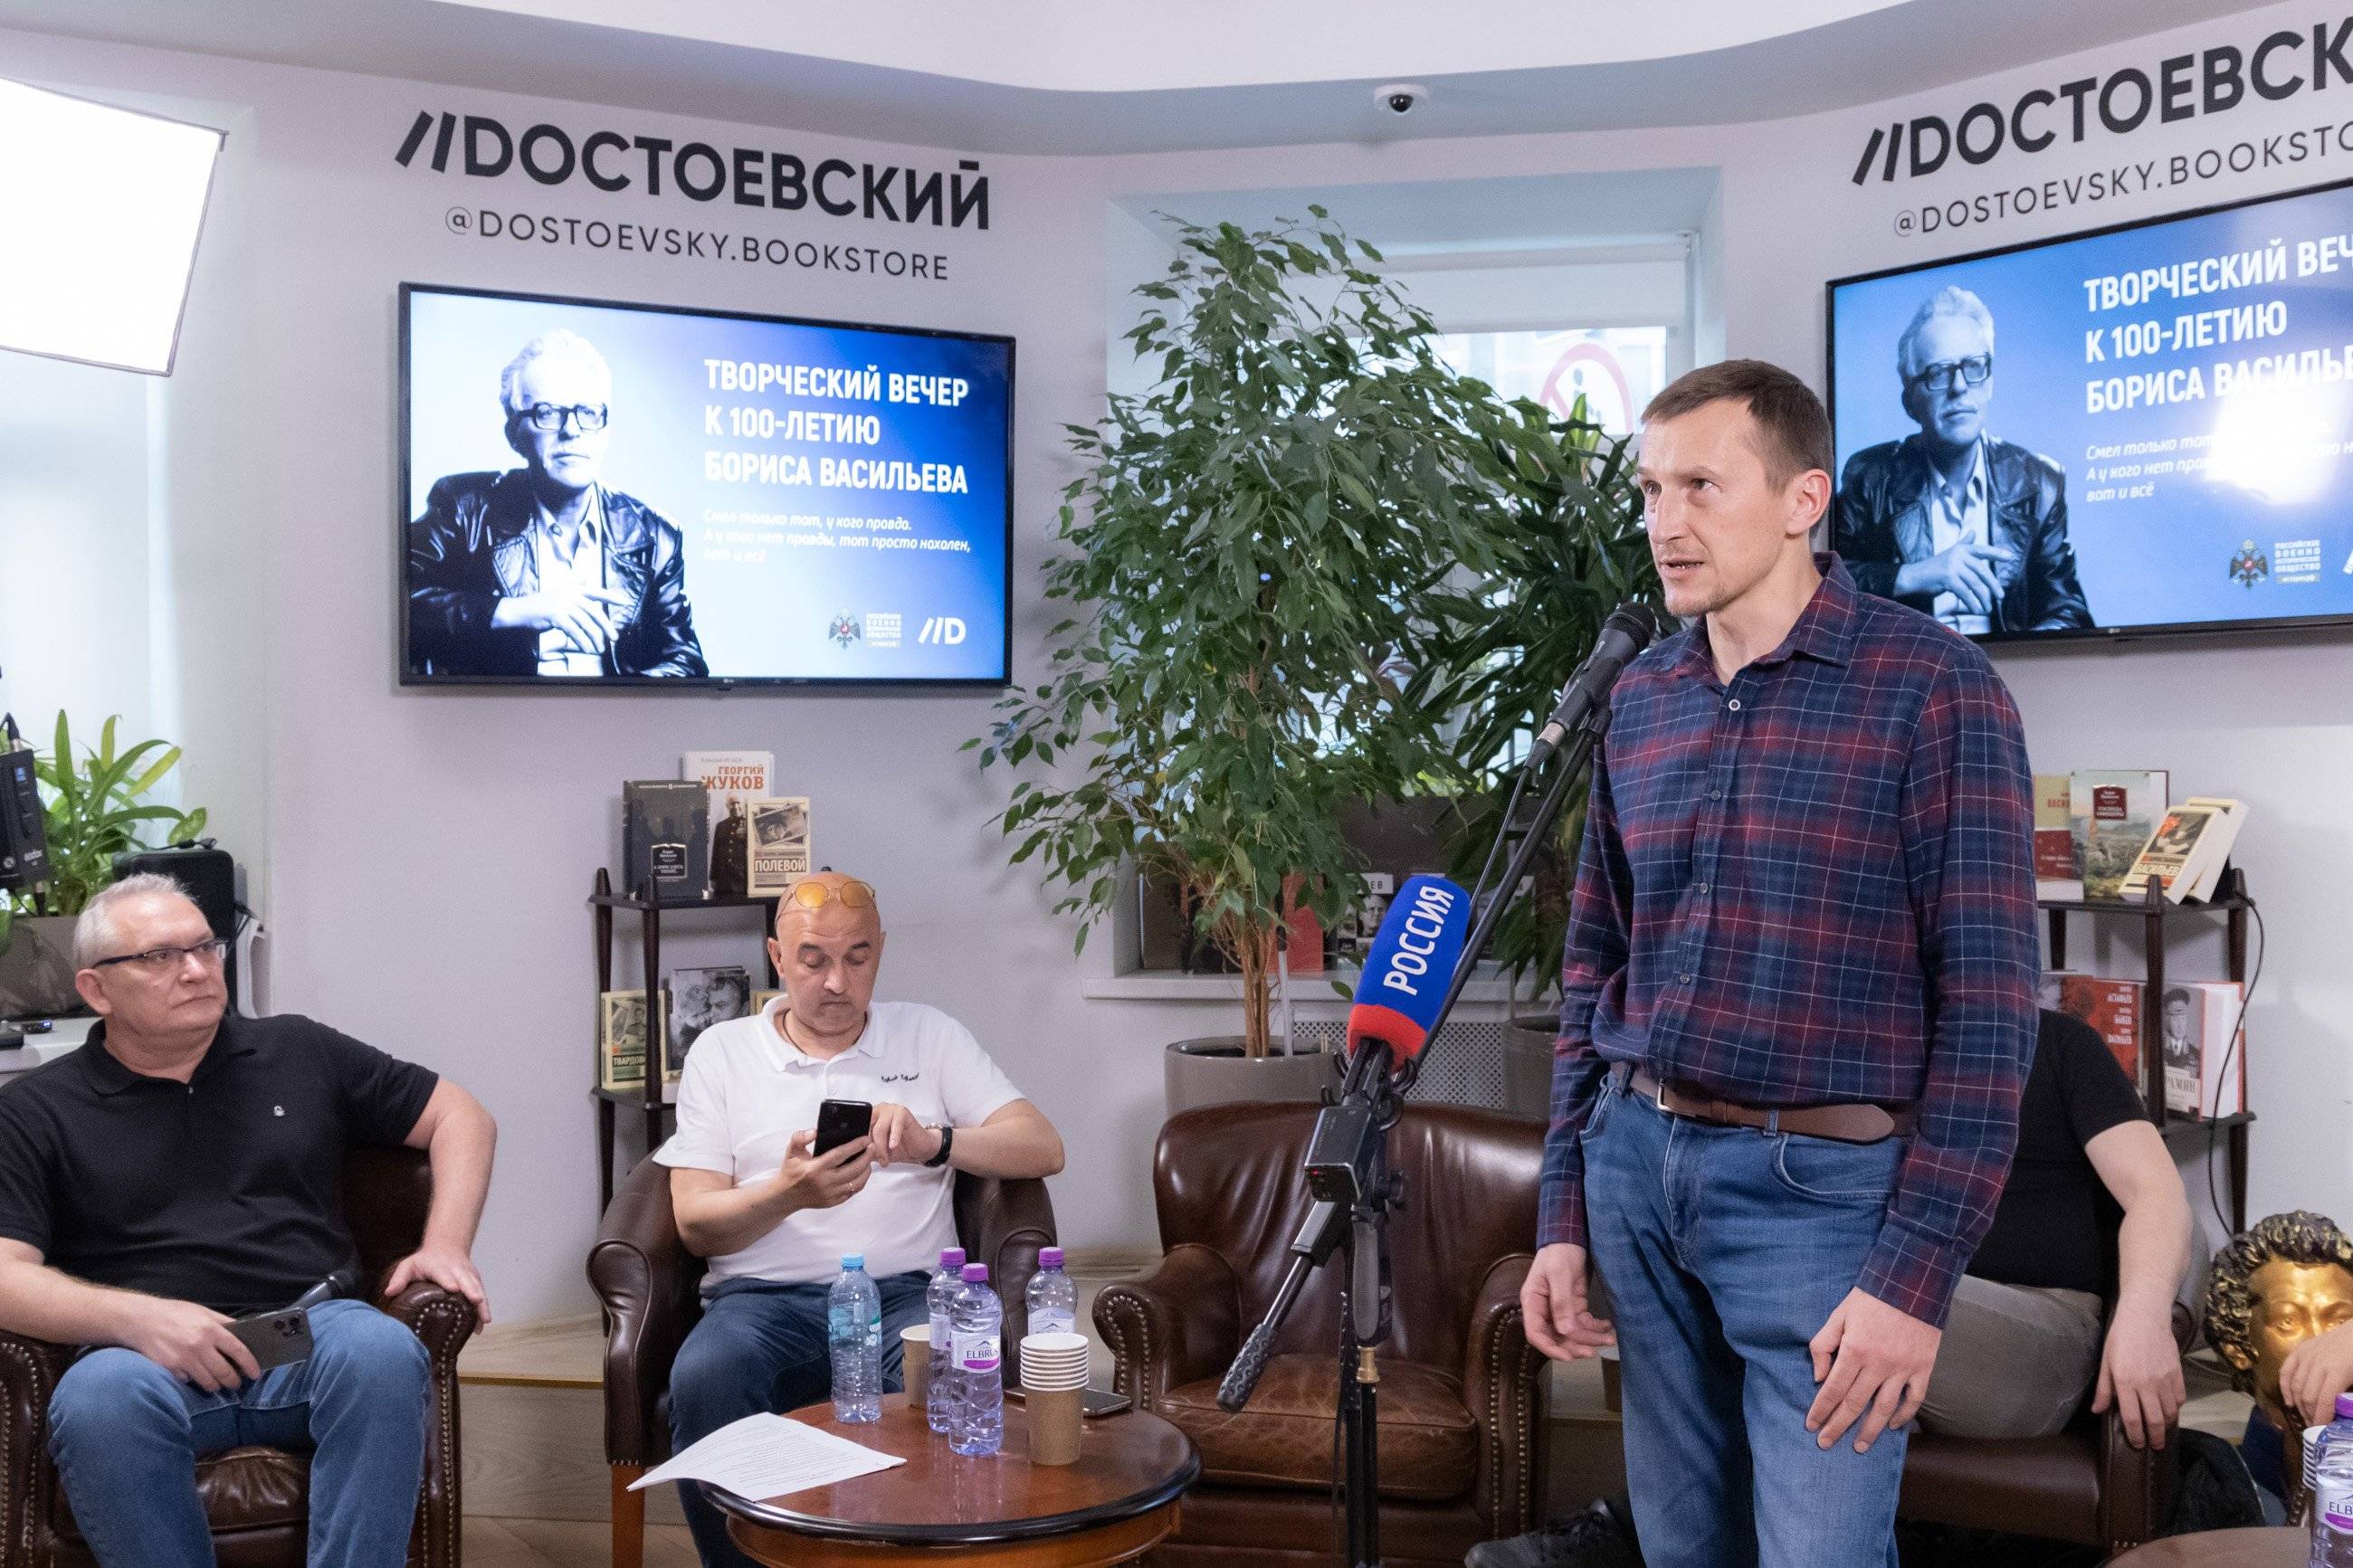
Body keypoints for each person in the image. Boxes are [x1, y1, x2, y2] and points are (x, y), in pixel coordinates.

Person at [1519, 359, 2039, 1566]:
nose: (1665, 521)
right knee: (1680, 1546)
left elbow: (1990, 1013)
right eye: (1650, 490)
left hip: (1820, 1194)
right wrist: (1562, 1210)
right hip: (1638, 1167)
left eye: (1701, 485)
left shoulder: (1934, 690)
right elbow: (1595, 966)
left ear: (1804, 499)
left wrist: (1914, 1282)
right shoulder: (1638, 698)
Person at [0, 875, 498, 1568]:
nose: (196, 969)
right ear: (96, 989)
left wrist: (445, 1244)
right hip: (139, 1356)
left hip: (297, 1331)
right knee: (99, 1401)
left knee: (380, 1350)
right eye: (160, 956)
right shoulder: (35, 1110)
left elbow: (461, 1114)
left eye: (205, 946)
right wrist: (141, 1320)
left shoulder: (297, 1048)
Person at [655, 871, 1065, 1568]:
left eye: (857, 957)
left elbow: (1043, 1145)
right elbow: (695, 1221)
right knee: (706, 1376)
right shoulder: (721, 1052)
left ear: (881, 951)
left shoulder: (928, 1034)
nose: (837, 982)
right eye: (813, 959)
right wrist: (789, 1192)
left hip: (907, 1294)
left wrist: (934, 1141)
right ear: (777, 958)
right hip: (758, 1301)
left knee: (946, 1372)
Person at [1917, 1009, 2190, 1447]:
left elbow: (2156, 1193)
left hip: (2041, 1330)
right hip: (1895, 1319)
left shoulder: (2059, 1043)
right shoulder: (1857, 1053)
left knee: (1840, 1283)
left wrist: (2145, 1315)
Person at [407, 328, 707, 678]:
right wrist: (515, 611)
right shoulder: (464, 507)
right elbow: (399, 603)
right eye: (547, 413)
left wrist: (623, 699)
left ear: (605, 431)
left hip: (619, 712)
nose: (572, 430)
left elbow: (685, 659)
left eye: (589, 413)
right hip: (501, 710)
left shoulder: (656, 536)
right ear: (514, 435)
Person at [1834, 286, 2093, 635]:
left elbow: (2068, 611)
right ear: (1910, 401)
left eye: (1973, 366)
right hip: (1911, 666)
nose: (1959, 387)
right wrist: (1914, 576)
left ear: (1989, 383)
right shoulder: (1871, 477)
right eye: (1938, 373)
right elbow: (1822, 587)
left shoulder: (2040, 481)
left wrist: (2028, 654)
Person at [2161, 986, 2196, 1071]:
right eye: (2175, 1019)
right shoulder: (2157, 1049)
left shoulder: (2195, 1054)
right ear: (2167, 1020)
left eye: (2183, 1018)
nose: (2180, 1025)